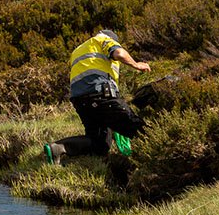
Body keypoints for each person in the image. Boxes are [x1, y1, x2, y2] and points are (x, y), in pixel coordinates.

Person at [44, 29, 150, 166]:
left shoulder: (78, 50)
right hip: (101, 96)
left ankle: (59, 148)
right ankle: (155, 162)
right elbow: (119, 53)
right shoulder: (102, 40)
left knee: (99, 144)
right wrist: (137, 65)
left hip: (80, 102)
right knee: (138, 129)